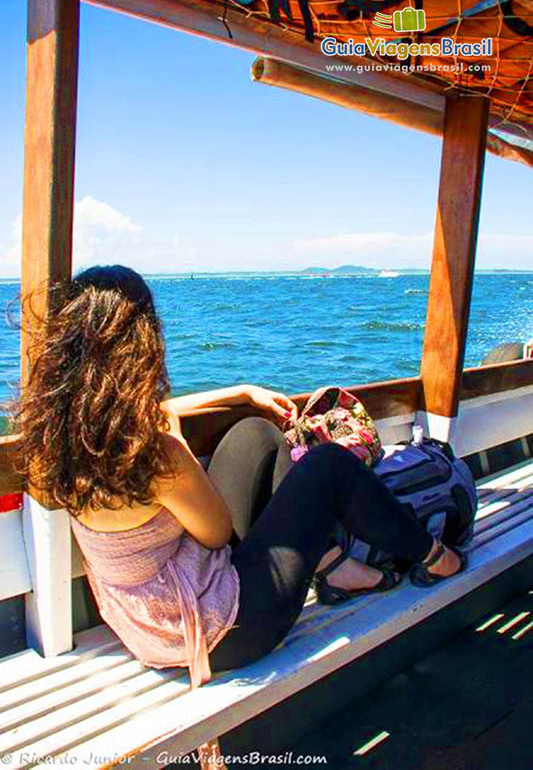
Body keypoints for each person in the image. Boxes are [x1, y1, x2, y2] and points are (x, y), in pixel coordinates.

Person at [15, 265, 466, 687]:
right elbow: (214, 533)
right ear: (141, 344)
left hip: (152, 623)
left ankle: (334, 568)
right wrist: (182, 448)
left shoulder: (67, 435)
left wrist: (241, 392)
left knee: (255, 433)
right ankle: (434, 556)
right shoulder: (156, 455)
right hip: (221, 631)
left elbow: (161, 412)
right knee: (328, 467)